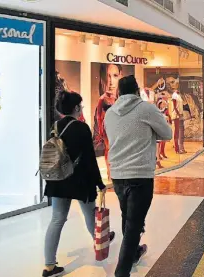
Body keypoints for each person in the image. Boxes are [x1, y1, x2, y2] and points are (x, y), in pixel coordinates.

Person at [104, 76, 172, 277]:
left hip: (117, 175)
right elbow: (167, 133)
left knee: (128, 217)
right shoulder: (146, 109)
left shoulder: (110, 113)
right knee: (133, 225)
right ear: (137, 91)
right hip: (140, 175)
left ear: (118, 92)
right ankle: (121, 272)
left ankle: (133, 253)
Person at [43, 92, 114, 277]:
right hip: (81, 181)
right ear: (75, 108)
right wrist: (100, 183)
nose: (81, 109)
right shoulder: (82, 128)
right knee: (91, 214)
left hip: (58, 180)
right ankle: (100, 245)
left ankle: (49, 266)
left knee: (57, 220)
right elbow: (90, 160)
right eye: (80, 106)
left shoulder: (55, 127)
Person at [94, 64, 124, 179]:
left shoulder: (122, 99)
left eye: (115, 76)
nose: (111, 81)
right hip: (110, 138)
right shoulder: (102, 100)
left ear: (121, 76)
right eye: (108, 76)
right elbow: (99, 121)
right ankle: (111, 175)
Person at [166, 76, 186, 154]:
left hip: (180, 115)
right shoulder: (174, 95)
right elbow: (174, 106)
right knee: (177, 132)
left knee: (180, 131)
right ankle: (177, 148)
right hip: (177, 115)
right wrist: (178, 114)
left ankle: (180, 148)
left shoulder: (178, 95)